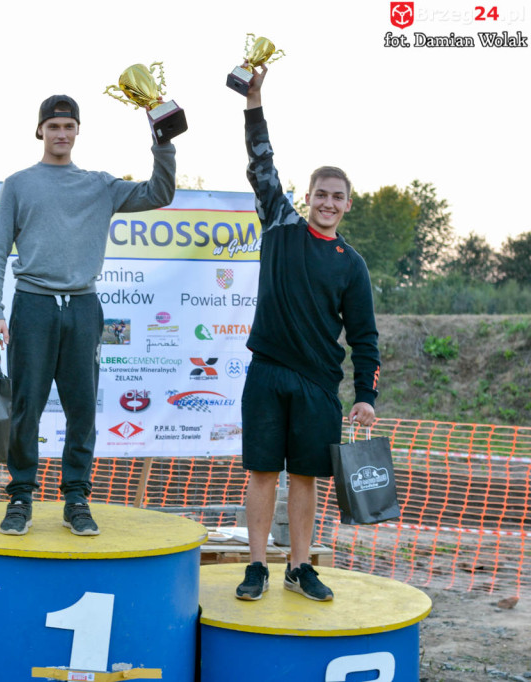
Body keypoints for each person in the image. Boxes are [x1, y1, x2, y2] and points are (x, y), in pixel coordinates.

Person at [0, 94, 176, 536]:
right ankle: (21, 496)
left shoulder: (99, 185)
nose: (61, 134)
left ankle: (76, 498)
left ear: (77, 131)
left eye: (68, 127)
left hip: (84, 307)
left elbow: (159, 192)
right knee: (26, 404)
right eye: (53, 127)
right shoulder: (19, 184)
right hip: (33, 304)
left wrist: (161, 137)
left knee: (82, 407)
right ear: (41, 132)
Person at [234, 64, 380, 602]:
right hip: (267, 372)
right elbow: (260, 162)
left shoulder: (352, 264)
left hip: (319, 384)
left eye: (337, 197)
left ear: (346, 203)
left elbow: (364, 337)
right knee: (263, 474)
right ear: (308, 195)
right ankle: (256, 566)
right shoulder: (280, 222)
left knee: (305, 480)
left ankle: (299, 567)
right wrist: (254, 100)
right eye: (321, 193)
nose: (327, 202)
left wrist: (365, 395)